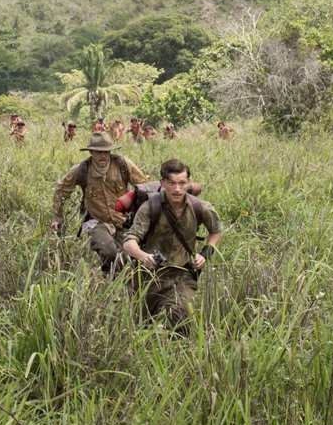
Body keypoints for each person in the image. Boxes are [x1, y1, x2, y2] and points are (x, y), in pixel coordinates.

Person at [123, 159, 222, 333]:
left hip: (182, 274)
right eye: (171, 183)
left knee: (181, 317)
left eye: (182, 183)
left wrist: (205, 254)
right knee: (143, 326)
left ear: (188, 182)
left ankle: (179, 352)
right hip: (150, 276)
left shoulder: (200, 208)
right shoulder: (149, 208)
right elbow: (129, 241)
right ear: (163, 183)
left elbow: (216, 231)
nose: (177, 189)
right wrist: (142, 256)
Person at [51, 132, 149, 274]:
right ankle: (109, 276)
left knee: (127, 256)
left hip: (123, 220)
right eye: (98, 152)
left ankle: (114, 280)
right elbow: (61, 191)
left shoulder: (123, 164)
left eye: (106, 152)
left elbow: (145, 187)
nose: (103, 156)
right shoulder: (81, 170)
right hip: (96, 221)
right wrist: (57, 217)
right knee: (108, 251)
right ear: (91, 152)